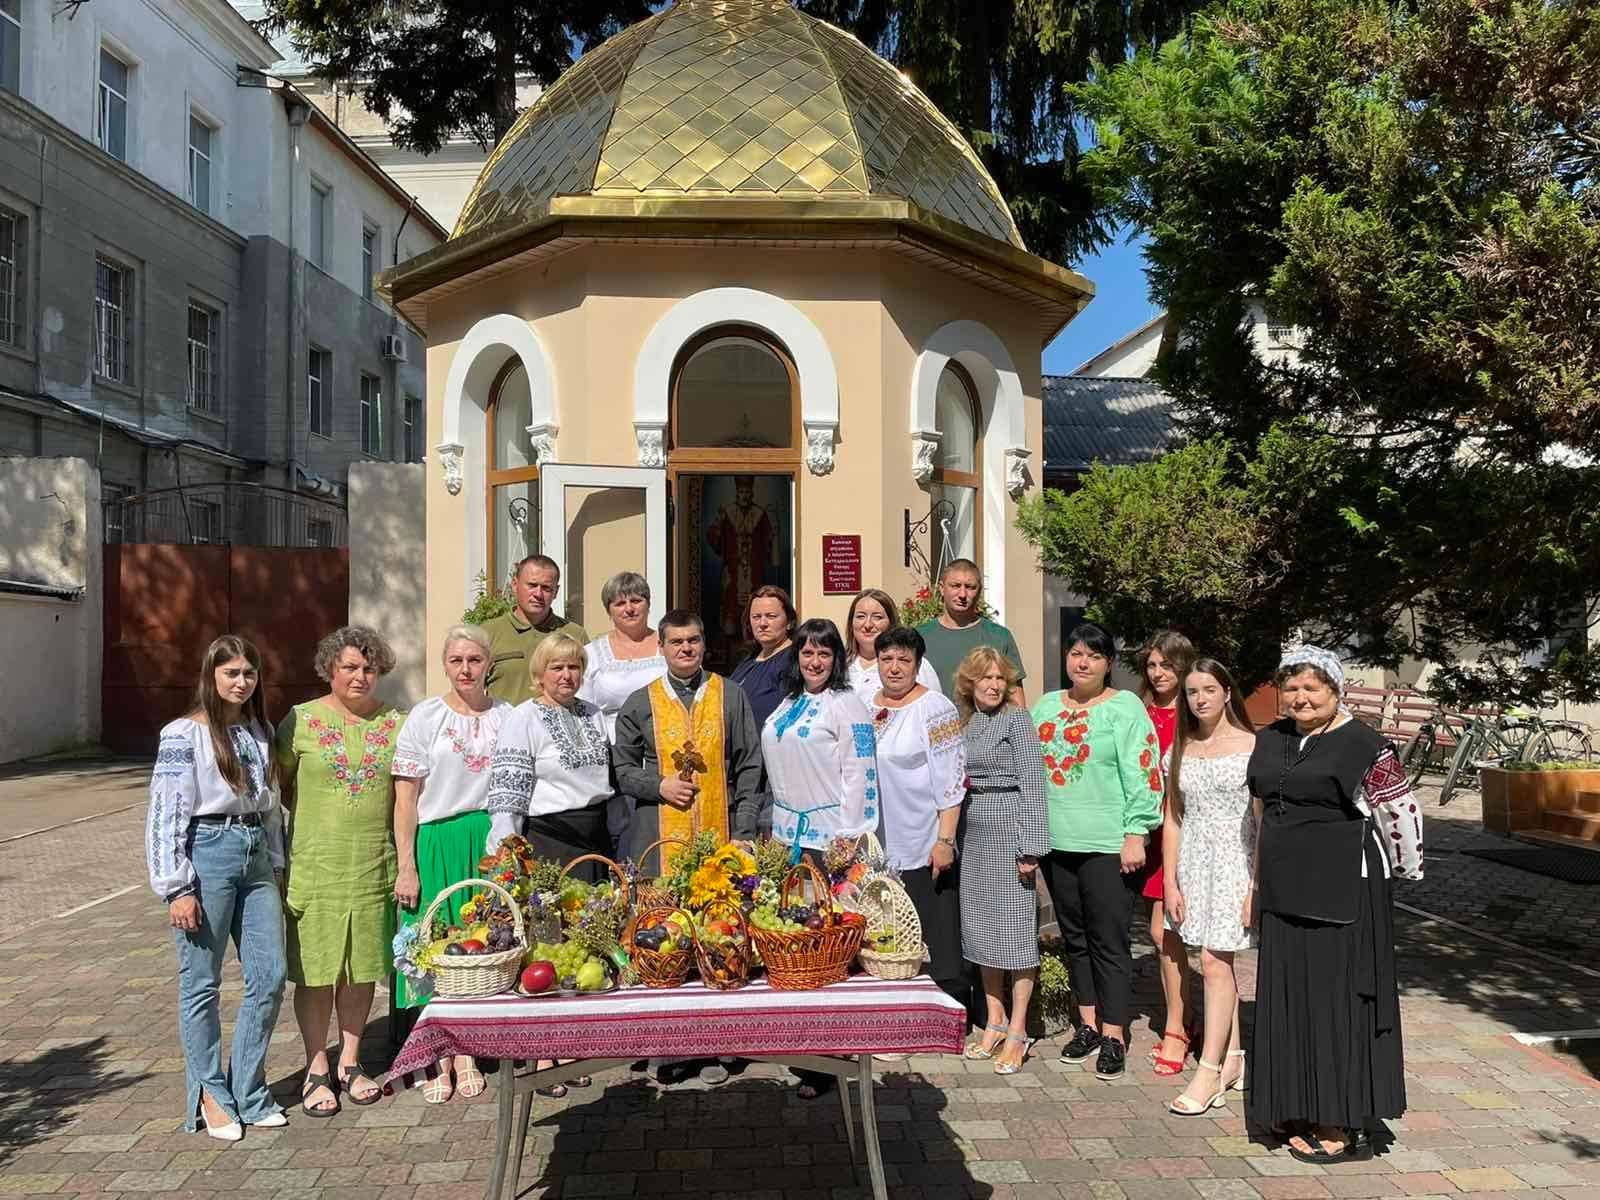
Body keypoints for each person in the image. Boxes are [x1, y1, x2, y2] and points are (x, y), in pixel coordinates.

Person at [1247, 647, 1423, 1163]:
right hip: (1285, 888)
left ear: (1335, 690)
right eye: (1292, 687)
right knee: (1291, 999)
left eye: (1312, 687)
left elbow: (1400, 813)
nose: (1300, 697)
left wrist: (1401, 875)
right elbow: (1257, 811)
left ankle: (1339, 1119)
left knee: (1335, 1002)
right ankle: (1294, 1104)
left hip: (1344, 888)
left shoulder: (1365, 744)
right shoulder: (1272, 738)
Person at [147, 635, 286, 1141]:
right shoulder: (184, 734)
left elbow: (269, 803)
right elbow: (165, 811)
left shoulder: (260, 730)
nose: (241, 682)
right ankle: (209, 1094)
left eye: (249, 673)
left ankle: (248, 1089)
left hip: (255, 853)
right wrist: (176, 887)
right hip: (207, 851)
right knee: (202, 982)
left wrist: (277, 862)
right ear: (211, 675)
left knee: (269, 975)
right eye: (231, 673)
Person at [276, 625, 405, 1117]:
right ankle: (316, 1066)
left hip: (373, 863)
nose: (360, 676)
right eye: (349, 666)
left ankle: (350, 1061)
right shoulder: (300, 721)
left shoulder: (396, 722)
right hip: (316, 864)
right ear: (329, 669)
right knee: (315, 969)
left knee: (361, 967)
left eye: (369, 668)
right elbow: (281, 785)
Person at [1033, 622, 1163, 1081]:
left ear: (1109, 663)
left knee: (1108, 940)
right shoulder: (1046, 706)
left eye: (1093, 655)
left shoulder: (1125, 707)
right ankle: (1087, 1024)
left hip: (1108, 844)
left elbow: (1144, 771)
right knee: (1075, 938)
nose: (1082, 662)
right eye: (1075, 653)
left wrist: (1136, 832)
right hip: (1057, 842)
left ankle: (1114, 1033)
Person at [390, 624, 513, 1104]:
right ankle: (440, 1054)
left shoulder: (507, 715)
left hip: (489, 838)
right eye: (456, 660)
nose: (466, 669)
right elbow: (405, 800)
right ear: (445, 664)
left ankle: (468, 1052)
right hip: (438, 837)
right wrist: (407, 865)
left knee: (481, 942)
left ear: (489, 665)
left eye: (474, 660)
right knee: (436, 940)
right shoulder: (426, 717)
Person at [762, 617, 877, 1100]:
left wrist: (851, 836)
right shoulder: (789, 702)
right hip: (789, 836)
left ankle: (832, 1056)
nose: (814, 661)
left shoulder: (846, 704)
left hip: (829, 840)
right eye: (807, 652)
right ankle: (802, 1045)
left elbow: (862, 772)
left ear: (837, 659)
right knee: (798, 943)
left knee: (828, 948)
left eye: (824, 653)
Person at [1162, 658, 1255, 1115]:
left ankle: (1209, 1070)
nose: (1200, 699)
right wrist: (1170, 881)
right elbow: (1172, 818)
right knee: (1214, 962)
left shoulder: (1252, 747)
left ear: (1227, 692)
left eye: (1209, 689)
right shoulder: (1181, 746)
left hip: (1237, 861)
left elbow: (1264, 822)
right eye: (1192, 692)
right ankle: (1234, 1056)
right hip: (1194, 864)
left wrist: (1256, 885)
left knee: (1214, 962)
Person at [952, 647, 1048, 1076]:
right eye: (985, 678)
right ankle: (995, 1019)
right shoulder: (966, 721)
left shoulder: (1017, 719)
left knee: (1015, 932)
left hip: (1010, 826)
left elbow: (1034, 782)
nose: (993, 686)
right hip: (974, 831)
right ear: (969, 683)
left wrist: (1031, 847)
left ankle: (1019, 1029)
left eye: (999, 679)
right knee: (982, 929)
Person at [614, 609, 764, 870]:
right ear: (660, 646)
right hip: (658, 835)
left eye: (693, 640)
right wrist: (659, 785)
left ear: (704, 644)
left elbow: (749, 766)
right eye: (676, 642)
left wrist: (744, 830)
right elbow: (622, 769)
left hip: (723, 830)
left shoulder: (731, 695)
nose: (686, 648)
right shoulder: (639, 702)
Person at [869, 625, 968, 1012]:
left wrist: (944, 841)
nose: (894, 667)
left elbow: (951, 780)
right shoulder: (864, 703)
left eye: (903, 660)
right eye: (886, 659)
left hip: (921, 839)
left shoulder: (934, 709)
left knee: (934, 933)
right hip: (878, 843)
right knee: (887, 936)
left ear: (917, 664)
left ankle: (945, 1014)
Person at [487, 634, 613, 873]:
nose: (567, 675)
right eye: (557, 668)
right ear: (540, 674)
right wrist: (505, 850)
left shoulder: (594, 713)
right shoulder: (523, 718)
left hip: (596, 840)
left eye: (573, 667)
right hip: (550, 843)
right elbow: (509, 794)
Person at [1136, 630, 1198, 1076]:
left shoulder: (1194, 712)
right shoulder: (1139, 711)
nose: (1159, 673)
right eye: (1153, 665)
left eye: (1167, 665)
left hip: (1183, 830)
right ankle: (1184, 1015)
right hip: (1146, 832)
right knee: (1160, 931)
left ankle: (1177, 1027)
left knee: (1165, 933)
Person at [578, 570, 669, 856]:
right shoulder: (592, 654)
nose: (629, 608)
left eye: (636, 600)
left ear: (648, 603)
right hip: (614, 758)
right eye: (620, 603)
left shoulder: (668, 645)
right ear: (609, 610)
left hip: (665, 754)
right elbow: (582, 710)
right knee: (621, 833)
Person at [483, 554, 590, 705]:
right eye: (532, 585)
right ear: (515, 585)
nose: (538, 594)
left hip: (560, 719)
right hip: (505, 720)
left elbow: (589, 689)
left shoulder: (574, 635)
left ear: (556, 592)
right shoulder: (488, 633)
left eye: (546, 588)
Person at [915, 559, 1025, 703]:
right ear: (941, 588)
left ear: (979, 591)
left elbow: (1016, 698)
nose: (962, 594)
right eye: (955, 586)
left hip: (987, 718)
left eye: (970, 587)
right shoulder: (920, 636)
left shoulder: (999, 637)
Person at [708, 474, 775, 645]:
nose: (744, 495)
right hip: (733, 569)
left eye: (747, 492)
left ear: (752, 493)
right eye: (741, 492)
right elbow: (715, 540)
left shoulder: (760, 514)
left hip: (754, 570)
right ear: (737, 493)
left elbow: (769, 543)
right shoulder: (728, 512)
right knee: (730, 604)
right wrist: (718, 523)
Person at [845, 587, 941, 700]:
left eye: (877, 617)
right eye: (861, 616)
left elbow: (934, 705)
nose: (868, 625)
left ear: (891, 622)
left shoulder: (917, 666)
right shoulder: (839, 664)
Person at [728, 583, 797, 730]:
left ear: (789, 622)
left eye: (771, 616)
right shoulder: (749, 660)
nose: (762, 623)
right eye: (756, 617)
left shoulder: (792, 660)